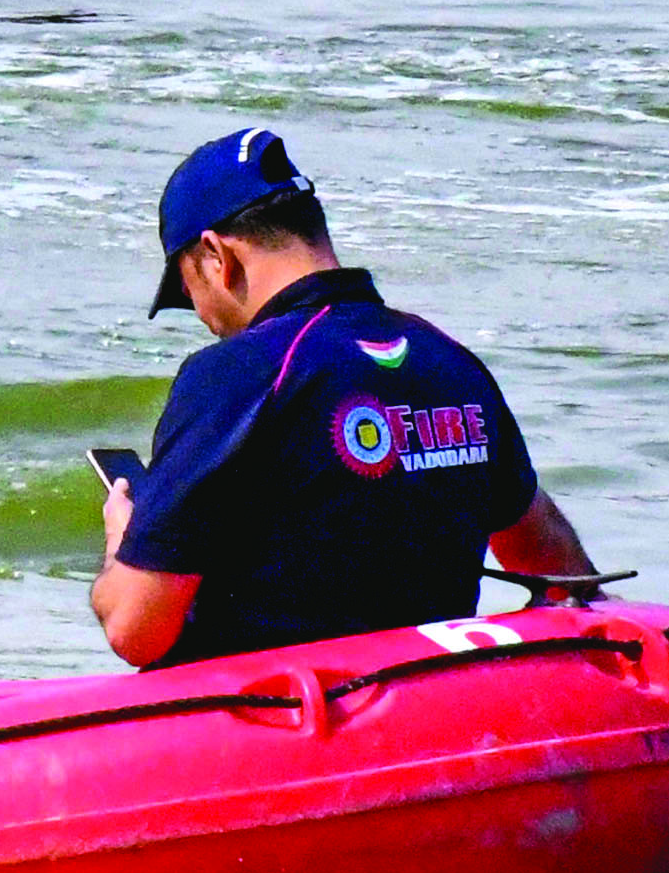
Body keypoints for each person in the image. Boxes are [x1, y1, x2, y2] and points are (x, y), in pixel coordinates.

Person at [92, 130, 600, 672]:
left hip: (286, 727)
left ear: (217, 256)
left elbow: (135, 629)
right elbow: (554, 561)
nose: (201, 316)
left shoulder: (237, 373)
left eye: (187, 290)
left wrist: (125, 544)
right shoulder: (448, 360)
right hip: (432, 705)